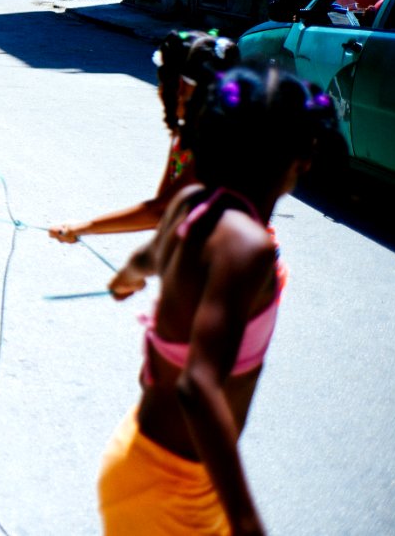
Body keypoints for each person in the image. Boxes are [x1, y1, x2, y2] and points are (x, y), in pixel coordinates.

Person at [98, 67, 339, 535]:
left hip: (140, 456)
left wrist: (123, 281)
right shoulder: (248, 247)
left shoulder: (192, 206)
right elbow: (197, 386)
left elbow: (146, 258)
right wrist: (247, 523)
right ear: (304, 157)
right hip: (173, 494)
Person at [50, 31, 238, 241]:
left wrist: (82, 227)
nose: (159, 89)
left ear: (181, 88)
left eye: (162, 80)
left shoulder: (216, 145)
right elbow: (164, 211)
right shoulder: (184, 135)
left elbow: (160, 211)